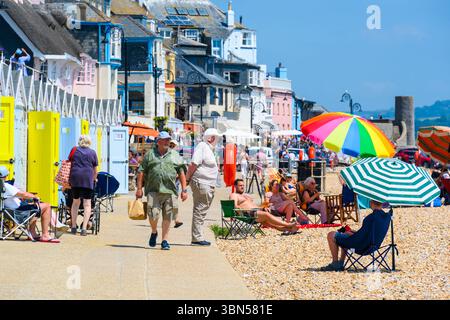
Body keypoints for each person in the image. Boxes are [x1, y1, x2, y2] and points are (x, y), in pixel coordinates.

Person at [136, 132, 188, 250]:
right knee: (153, 215)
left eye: (168, 140)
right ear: (158, 141)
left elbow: (181, 173)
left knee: (168, 216)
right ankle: (154, 232)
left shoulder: (175, 155)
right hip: (153, 190)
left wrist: (184, 190)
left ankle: (165, 240)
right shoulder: (150, 155)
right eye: (164, 140)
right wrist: (139, 188)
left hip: (170, 191)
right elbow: (141, 171)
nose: (167, 142)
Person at [321, 200, 391, 271]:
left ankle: (335, 264)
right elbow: (366, 234)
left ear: (371, 203)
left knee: (331, 235)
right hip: (373, 246)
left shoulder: (370, 218)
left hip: (362, 247)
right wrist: (353, 232)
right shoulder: (386, 217)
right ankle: (341, 263)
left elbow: (360, 238)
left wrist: (350, 234)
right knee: (345, 235)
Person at [0, 166, 59, 243]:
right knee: (47, 205)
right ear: (5, 176)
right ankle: (45, 235)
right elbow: (23, 194)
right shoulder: (6, 186)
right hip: (19, 212)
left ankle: (32, 233)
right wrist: (35, 197)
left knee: (35, 207)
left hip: (7, 211)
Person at [185, 128, 221, 246]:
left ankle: (198, 236)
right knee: (200, 209)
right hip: (202, 182)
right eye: (216, 138)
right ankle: (197, 238)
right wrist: (187, 179)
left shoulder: (208, 149)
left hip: (206, 183)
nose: (218, 141)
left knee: (201, 209)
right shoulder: (202, 146)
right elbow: (193, 164)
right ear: (211, 138)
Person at [230, 179, 298, 234]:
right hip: (248, 214)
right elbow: (234, 205)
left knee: (268, 221)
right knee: (266, 215)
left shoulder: (244, 196)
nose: (242, 187)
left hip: (255, 211)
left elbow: (253, 205)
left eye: (243, 185)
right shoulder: (234, 195)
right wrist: (242, 210)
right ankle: (288, 225)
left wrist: (262, 208)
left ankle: (286, 229)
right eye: (240, 185)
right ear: (235, 186)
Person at [69, 135, 98, 236]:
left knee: (75, 202)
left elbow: (69, 162)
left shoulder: (74, 150)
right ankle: (84, 228)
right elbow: (95, 170)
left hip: (75, 178)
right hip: (87, 179)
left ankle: (73, 226)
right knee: (87, 204)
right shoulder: (92, 152)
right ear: (89, 142)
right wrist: (94, 179)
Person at [169, 139, 183, 229]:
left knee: (173, 201)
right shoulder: (167, 154)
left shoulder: (175, 154)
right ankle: (175, 220)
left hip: (175, 181)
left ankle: (175, 220)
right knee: (172, 201)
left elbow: (180, 168)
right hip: (170, 180)